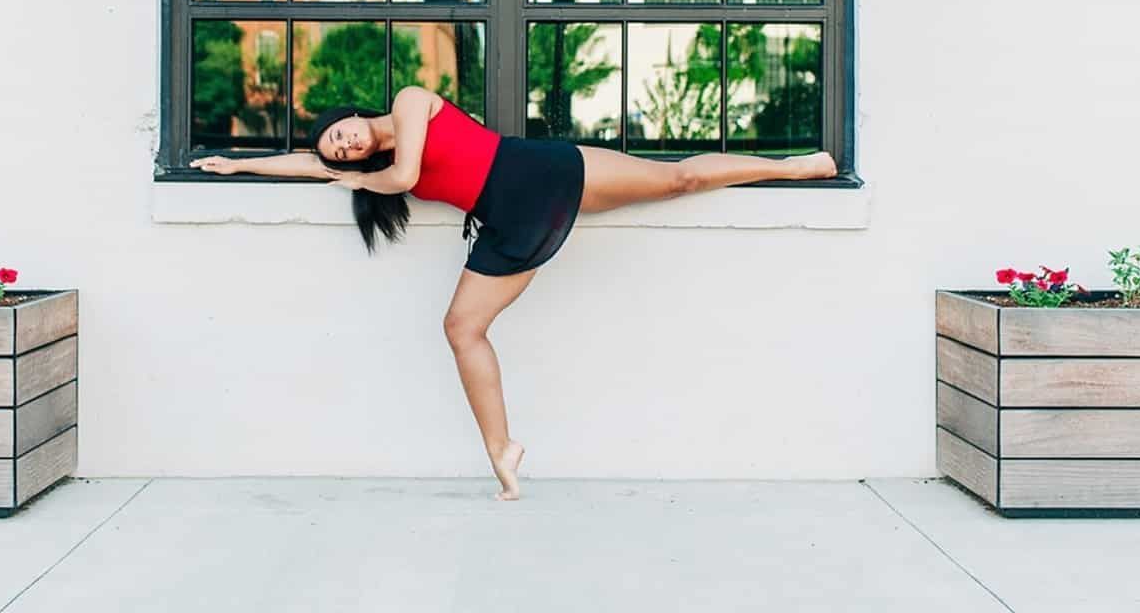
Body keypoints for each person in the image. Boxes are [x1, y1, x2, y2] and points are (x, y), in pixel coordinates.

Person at [192, 86, 836, 500]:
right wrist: (237, 163)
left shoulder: (410, 104)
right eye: (338, 150)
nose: (342, 146)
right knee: (461, 328)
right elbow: (308, 165)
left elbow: (409, 172)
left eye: (340, 134)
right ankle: (501, 448)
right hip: (509, 215)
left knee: (675, 181)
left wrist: (362, 182)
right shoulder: (364, 170)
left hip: (538, 168)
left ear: (353, 118)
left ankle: (794, 165)